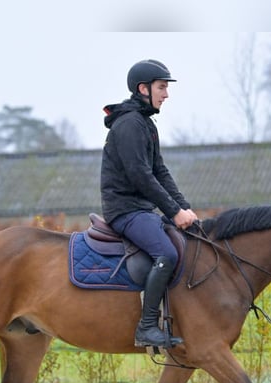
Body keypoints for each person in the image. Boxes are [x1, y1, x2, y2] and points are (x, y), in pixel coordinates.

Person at [100, 59, 198, 348]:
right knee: (166, 253)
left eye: (166, 88)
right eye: (162, 87)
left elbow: (160, 171)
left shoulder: (145, 123)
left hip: (142, 209)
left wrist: (184, 208)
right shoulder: (130, 124)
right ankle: (146, 328)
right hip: (125, 210)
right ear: (143, 88)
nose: (166, 94)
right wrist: (173, 211)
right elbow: (140, 175)